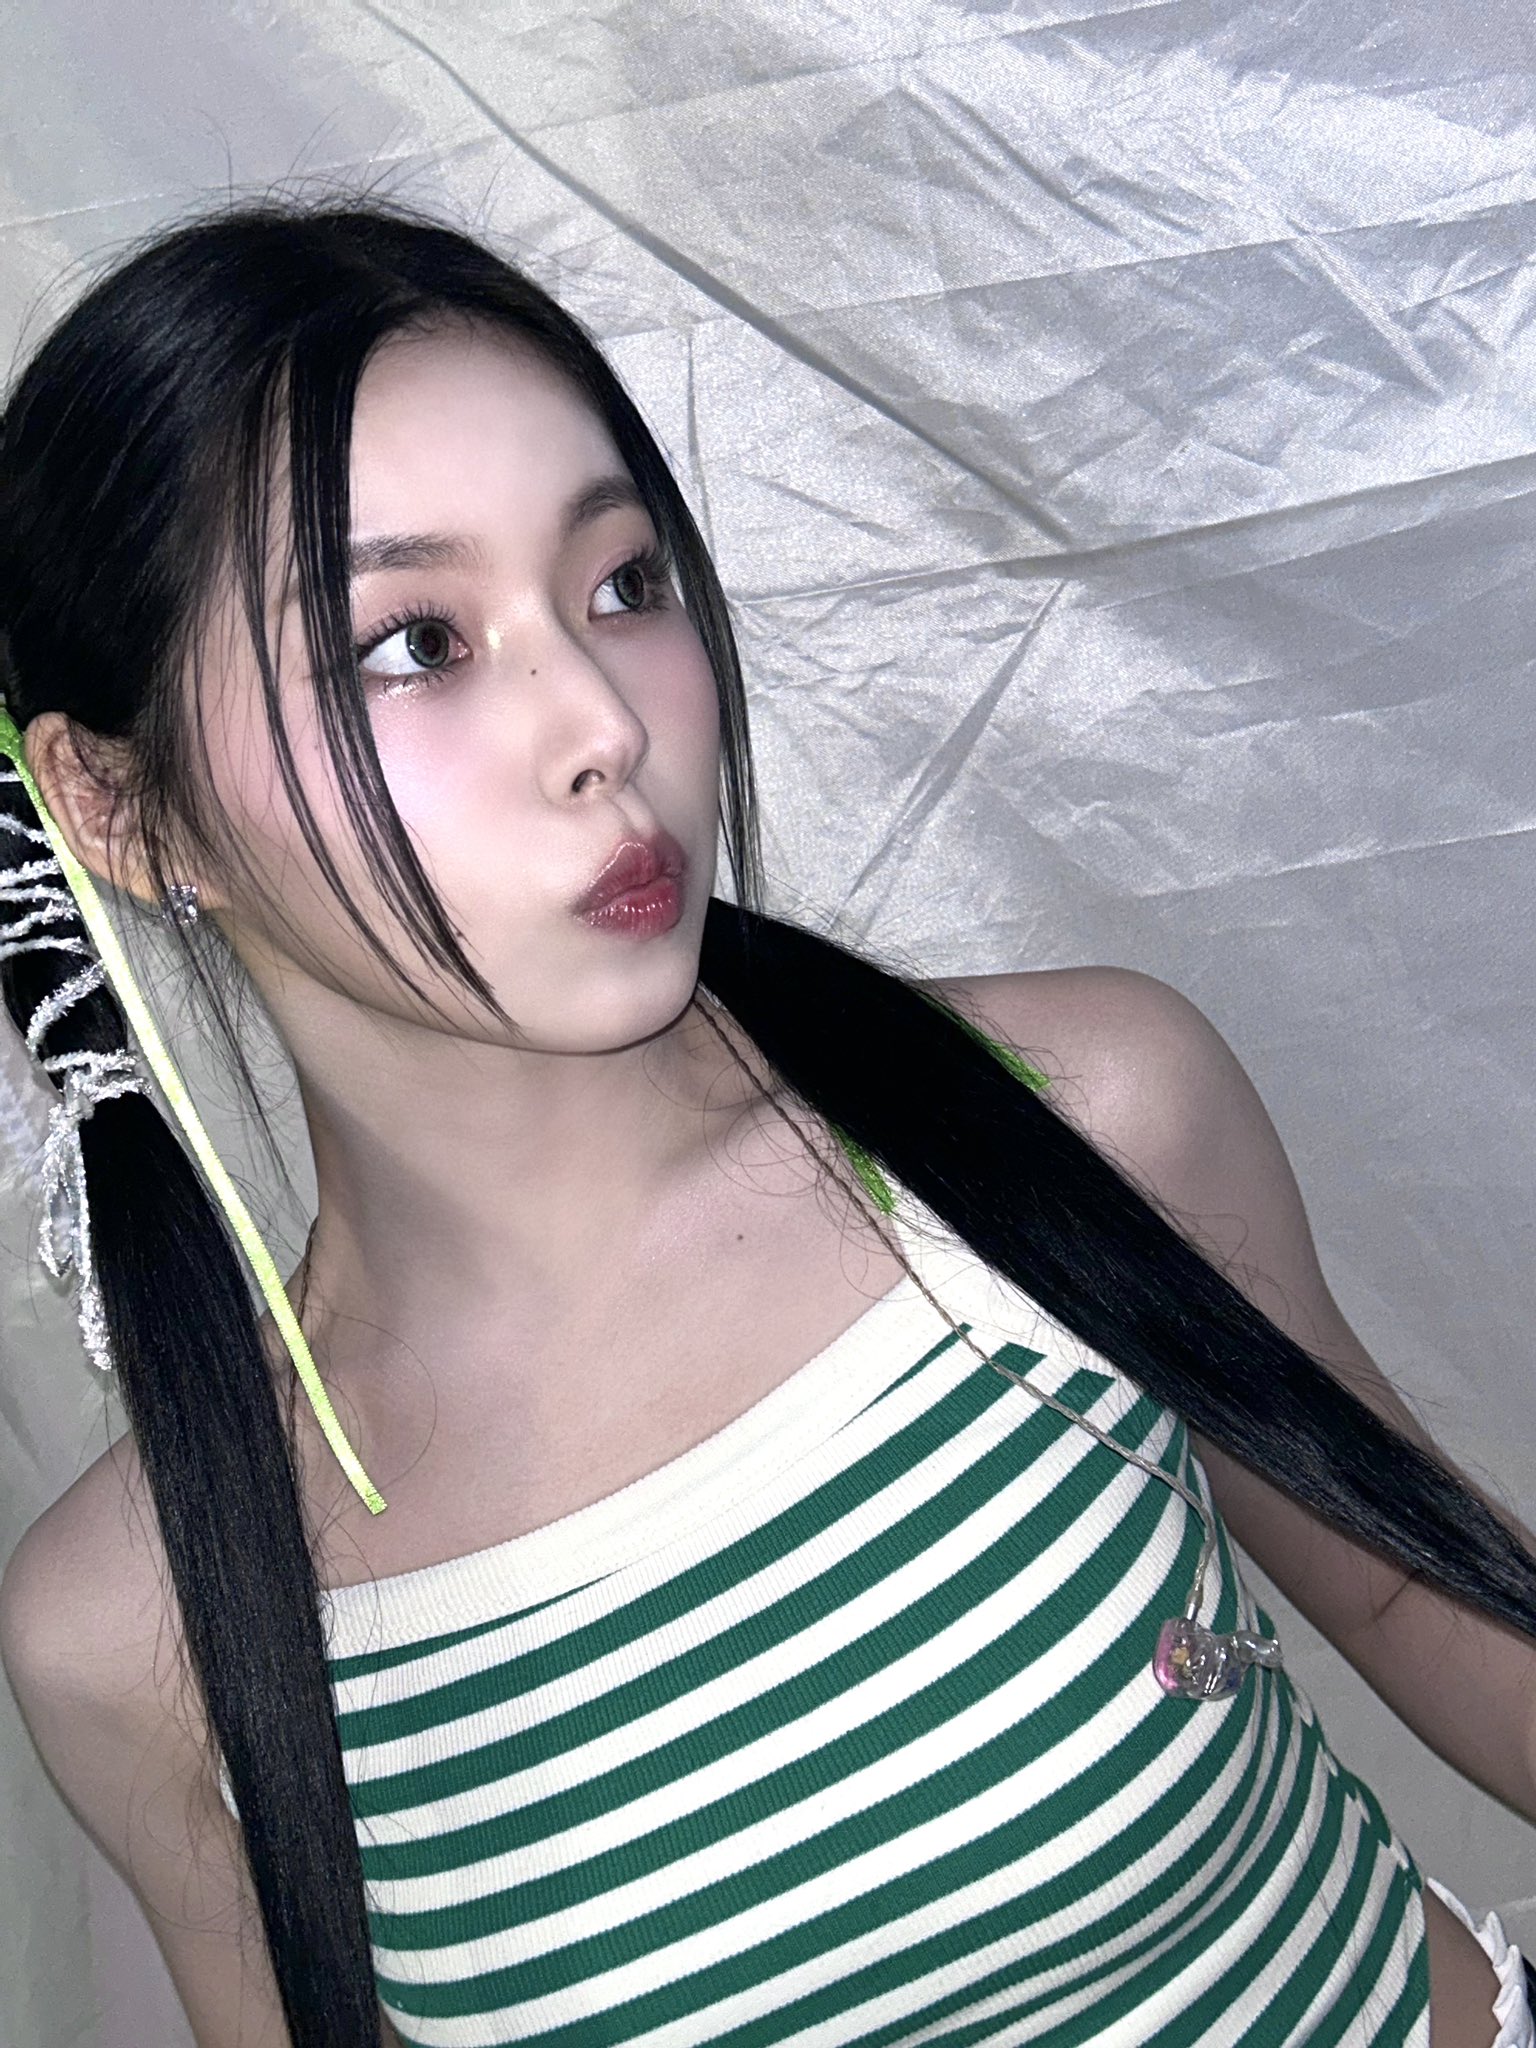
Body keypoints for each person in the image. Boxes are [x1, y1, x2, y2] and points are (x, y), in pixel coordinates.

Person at [0, 197, 1531, 2048]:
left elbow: (1421, 1602)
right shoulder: (138, 1619)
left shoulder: (1067, 1128)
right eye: (414, 643)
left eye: (621, 582)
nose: (601, 719)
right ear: (119, 805)